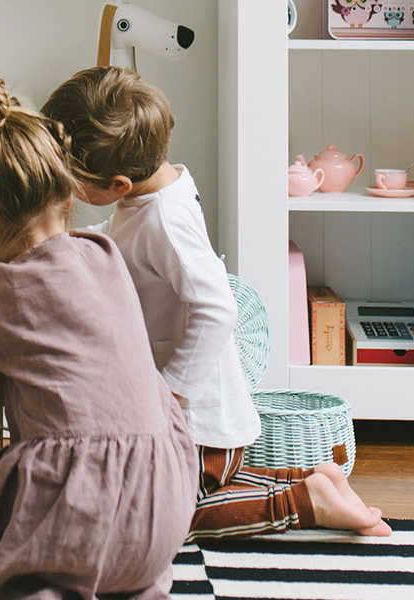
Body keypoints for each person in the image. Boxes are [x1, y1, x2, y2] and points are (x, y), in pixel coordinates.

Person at [41, 66, 391, 540]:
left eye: (73, 182)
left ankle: (303, 502)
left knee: (162, 517)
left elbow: (217, 307)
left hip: (197, 422)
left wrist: (172, 391)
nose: (68, 190)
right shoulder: (158, 191)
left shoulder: (165, 220)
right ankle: (311, 480)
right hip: (194, 426)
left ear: (120, 185)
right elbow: (124, 238)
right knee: (193, 491)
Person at [0, 75, 198, 600]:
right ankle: (129, 584)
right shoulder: (104, 257)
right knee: (105, 542)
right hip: (164, 504)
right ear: (66, 192)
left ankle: (47, 587)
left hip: (83, 514)